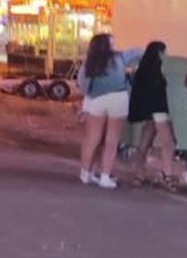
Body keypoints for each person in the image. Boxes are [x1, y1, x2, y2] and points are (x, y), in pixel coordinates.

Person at [77, 33, 144, 189]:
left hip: (96, 100)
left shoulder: (89, 62)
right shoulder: (119, 58)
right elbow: (139, 51)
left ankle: (85, 173)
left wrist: (91, 94)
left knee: (92, 139)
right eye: (112, 43)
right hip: (117, 99)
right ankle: (105, 176)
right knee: (111, 140)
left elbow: (82, 83)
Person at [129, 41, 186, 187]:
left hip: (148, 111)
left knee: (144, 142)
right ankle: (167, 175)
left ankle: (139, 175)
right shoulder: (159, 69)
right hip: (158, 110)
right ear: (160, 53)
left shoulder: (143, 69)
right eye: (165, 52)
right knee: (169, 142)